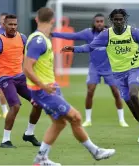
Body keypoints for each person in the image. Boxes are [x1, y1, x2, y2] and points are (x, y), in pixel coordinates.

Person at [23, 7, 115, 165]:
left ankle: (41, 159)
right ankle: (96, 152)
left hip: (50, 88)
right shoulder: (38, 40)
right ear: (53, 21)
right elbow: (26, 67)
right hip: (45, 91)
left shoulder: (43, 39)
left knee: (60, 122)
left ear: (37, 19)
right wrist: (42, 87)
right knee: (76, 117)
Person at [62, 9, 139, 144]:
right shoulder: (106, 35)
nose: (119, 21)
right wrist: (73, 49)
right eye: (116, 19)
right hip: (118, 74)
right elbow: (90, 47)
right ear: (112, 21)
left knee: (133, 95)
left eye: (121, 19)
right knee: (129, 102)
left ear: (124, 20)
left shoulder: (133, 32)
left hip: (134, 69)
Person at [51, 13, 129, 127]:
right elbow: (72, 36)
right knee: (90, 90)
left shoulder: (110, 33)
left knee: (116, 92)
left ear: (104, 22)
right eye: (97, 21)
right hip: (94, 67)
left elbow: (128, 35)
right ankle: (88, 119)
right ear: (94, 22)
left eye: (101, 21)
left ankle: (122, 120)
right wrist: (53, 34)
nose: (99, 23)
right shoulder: (88, 33)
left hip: (109, 67)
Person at [0, 14, 42, 148]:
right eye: (10, 24)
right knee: (15, 106)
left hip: (20, 77)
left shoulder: (22, 38)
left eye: (15, 24)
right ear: (4, 26)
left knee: (38, 102)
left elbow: (28, 56)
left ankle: (29, 133)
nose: (13, 27)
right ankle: (5, 140)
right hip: (5, 78)